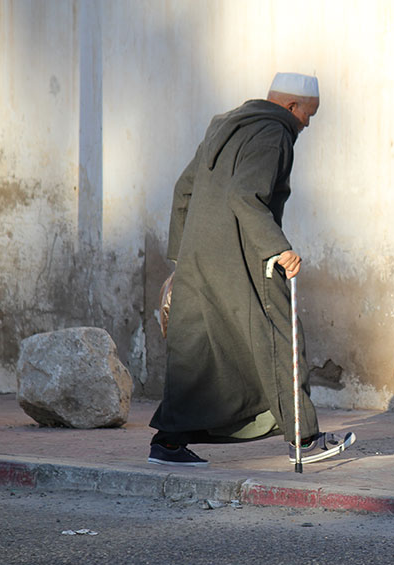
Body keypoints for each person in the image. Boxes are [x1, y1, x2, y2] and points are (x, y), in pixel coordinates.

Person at [148, 72, 355, 467]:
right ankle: (305, 440)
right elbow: (246, 196)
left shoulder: (223, 126)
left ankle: (169, 444)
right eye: (308, 115)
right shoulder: (274, 131)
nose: (307, 124)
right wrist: (279, 249)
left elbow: (183, 188)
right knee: (279, 337)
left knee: (195, 349)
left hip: (199, 259)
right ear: (292, 107)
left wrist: (181, 259)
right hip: (245, 255)